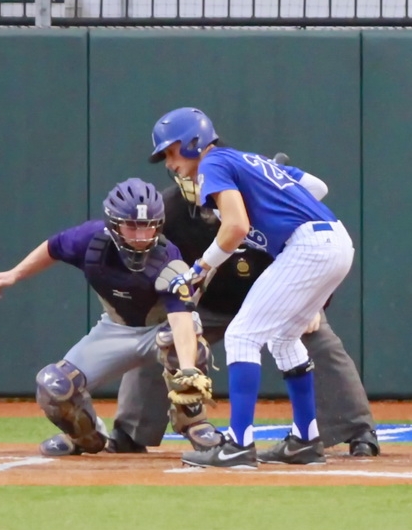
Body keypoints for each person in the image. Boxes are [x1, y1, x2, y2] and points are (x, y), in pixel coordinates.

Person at [108, 155, 379, 458]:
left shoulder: (264, 204)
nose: (204, 188)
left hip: (272, 295)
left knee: (317, 339)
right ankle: (130, 430)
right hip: (204, 306)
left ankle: (357, 429)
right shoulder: (170, 212)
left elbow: (309, 260)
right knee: (160, 337)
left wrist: (314, 305)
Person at [149, 107, 356, 469]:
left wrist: (200, 268)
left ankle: (238, 445)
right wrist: (275, 197)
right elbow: (317, 188)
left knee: (242, 336)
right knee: (283, 340)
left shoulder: (213, 164)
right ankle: (305, 441)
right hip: (336, 241)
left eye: (172, 151)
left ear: (195, 142)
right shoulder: (250, 161)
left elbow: (236, 228)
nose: (169, 162)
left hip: (308, 246)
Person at [0, 178, 222, 457]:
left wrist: (188, 369)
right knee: (53, 386)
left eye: (148, 226)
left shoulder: (168, 259)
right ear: (113, 224)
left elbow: (181, 319)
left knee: (182, 347)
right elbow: (53, 247)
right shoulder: (90, 239)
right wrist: (15, 274)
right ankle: (86, 437)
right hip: (116, 329)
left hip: (161, 328)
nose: (140, 235)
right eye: (132, 226)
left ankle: (193, 423)